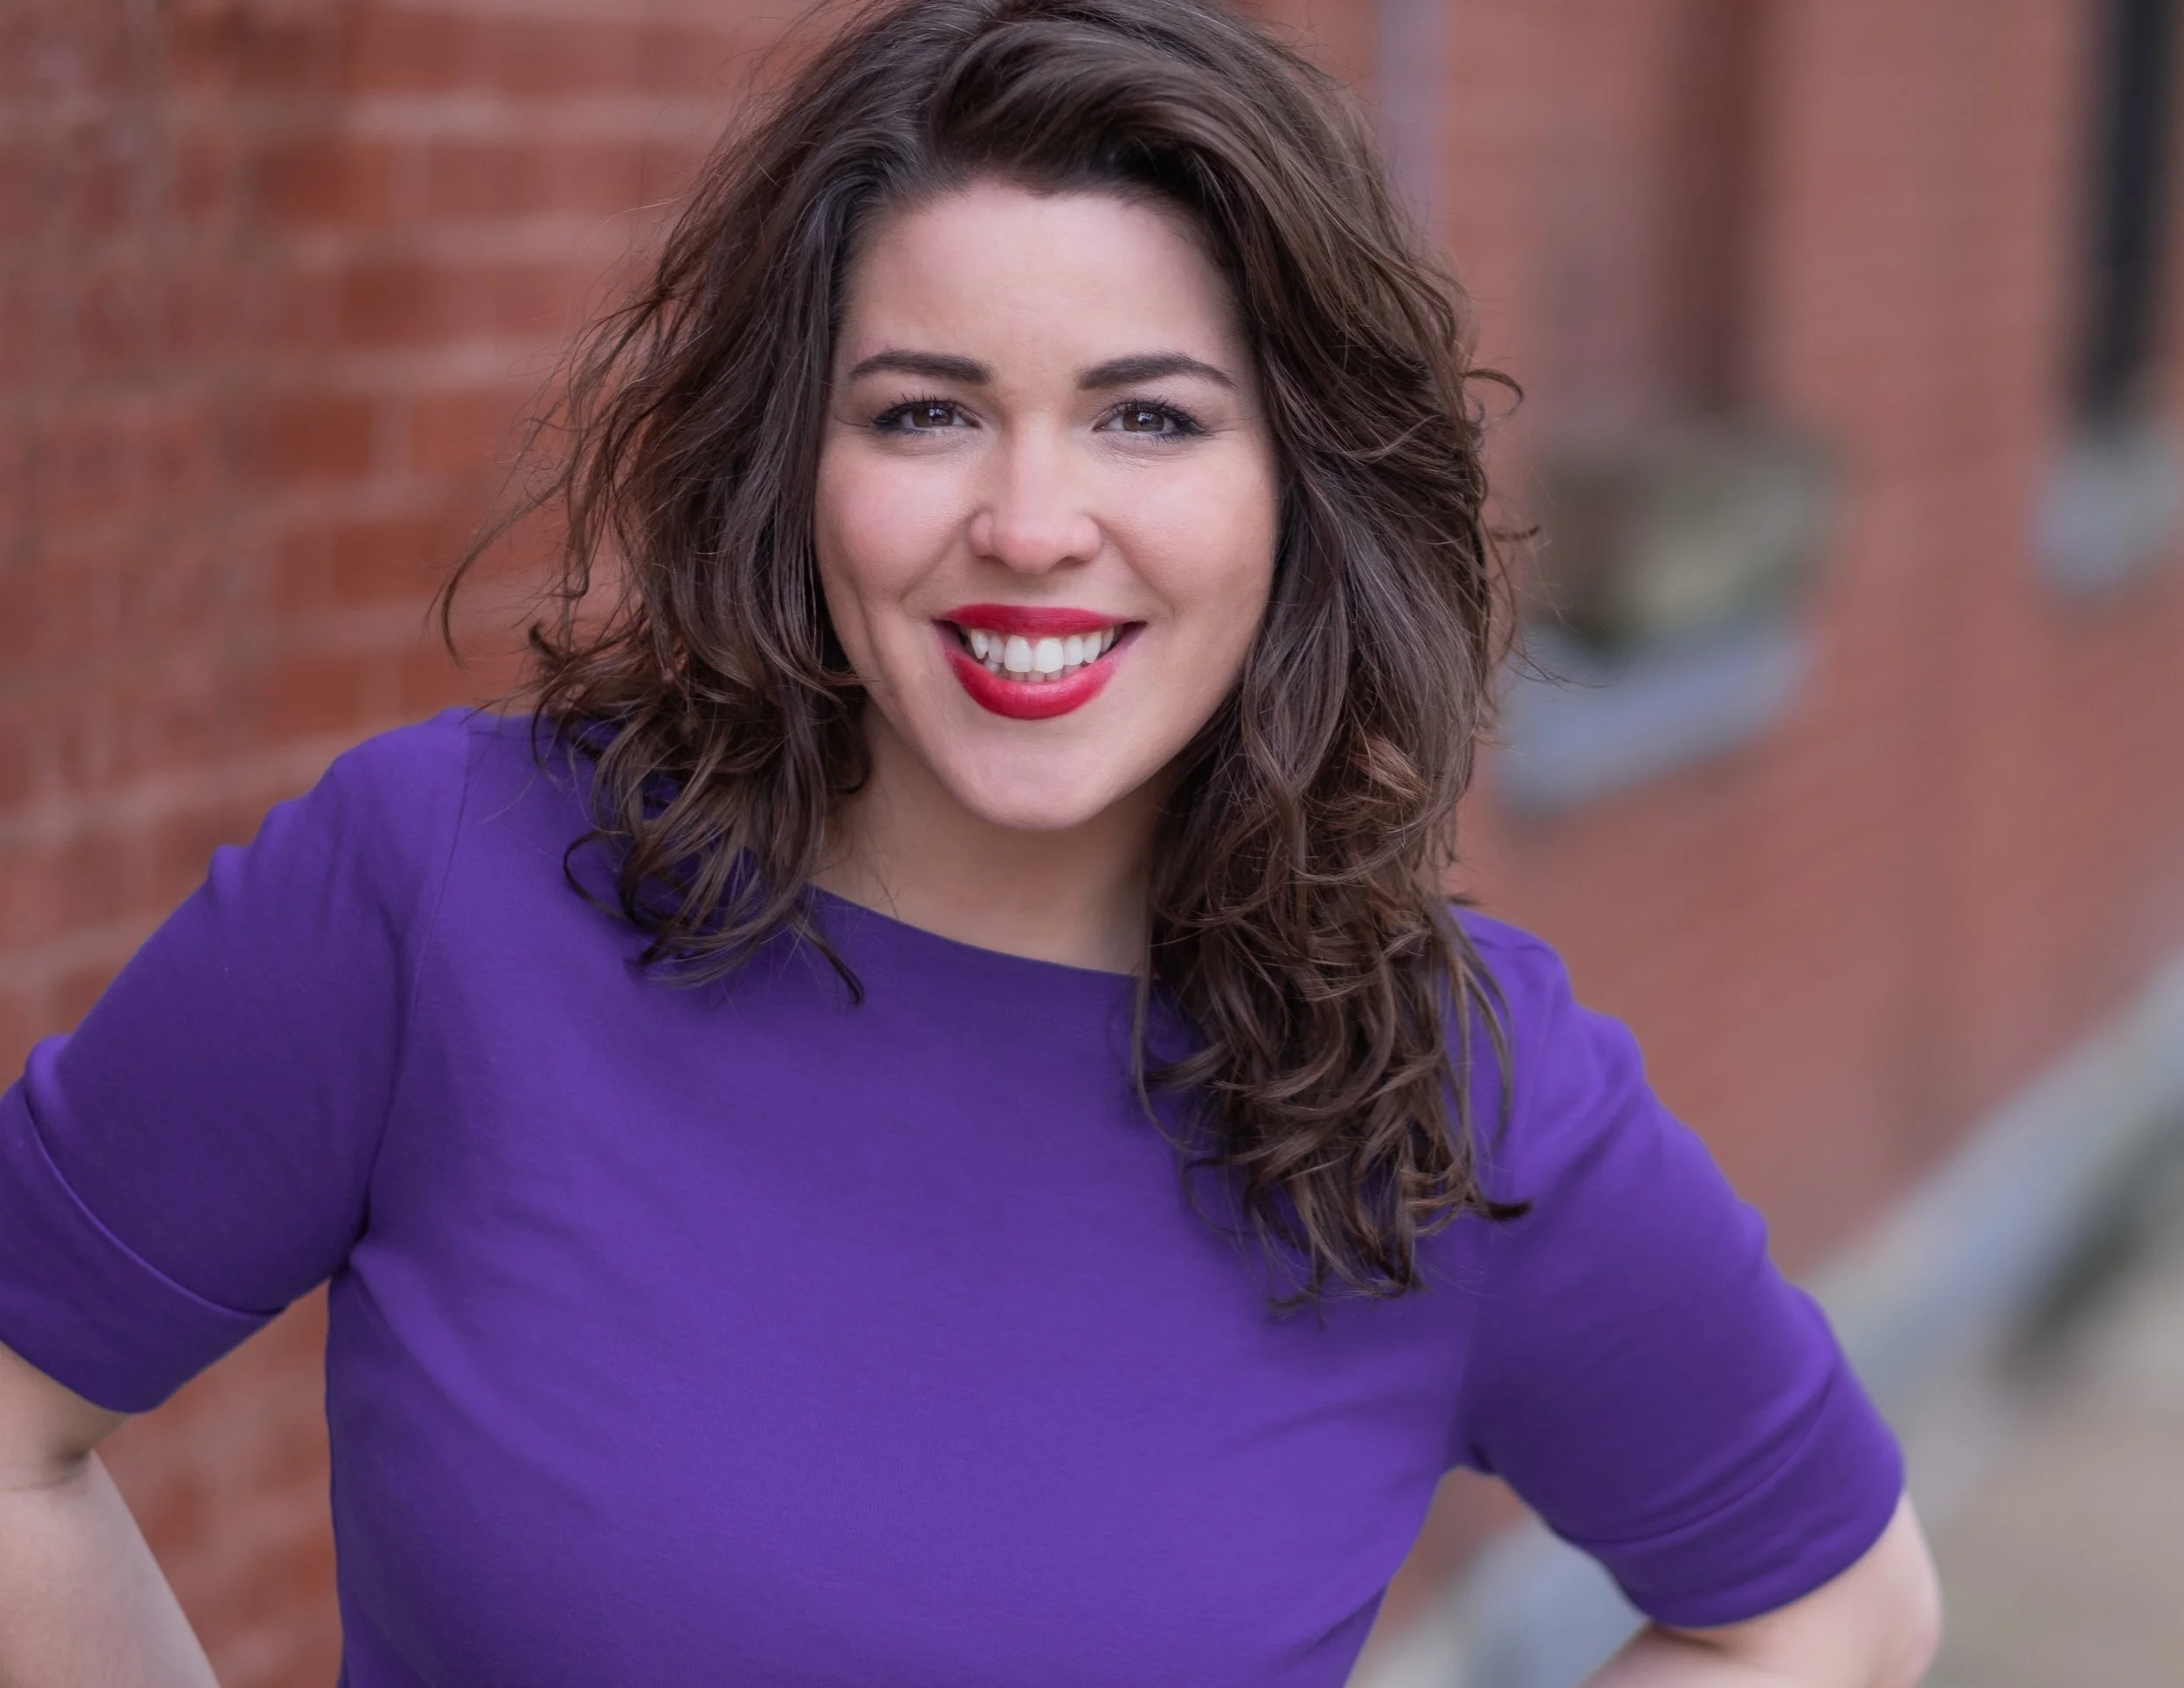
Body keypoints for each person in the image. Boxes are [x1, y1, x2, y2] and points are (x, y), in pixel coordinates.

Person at [0, 0, 1941, 1682]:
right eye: (926, 413)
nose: (1027, 522)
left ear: (1297, 494)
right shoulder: (442, 894)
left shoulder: (1451, 1099)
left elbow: (1829, 1614)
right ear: (799, 469)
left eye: (1147, 422)